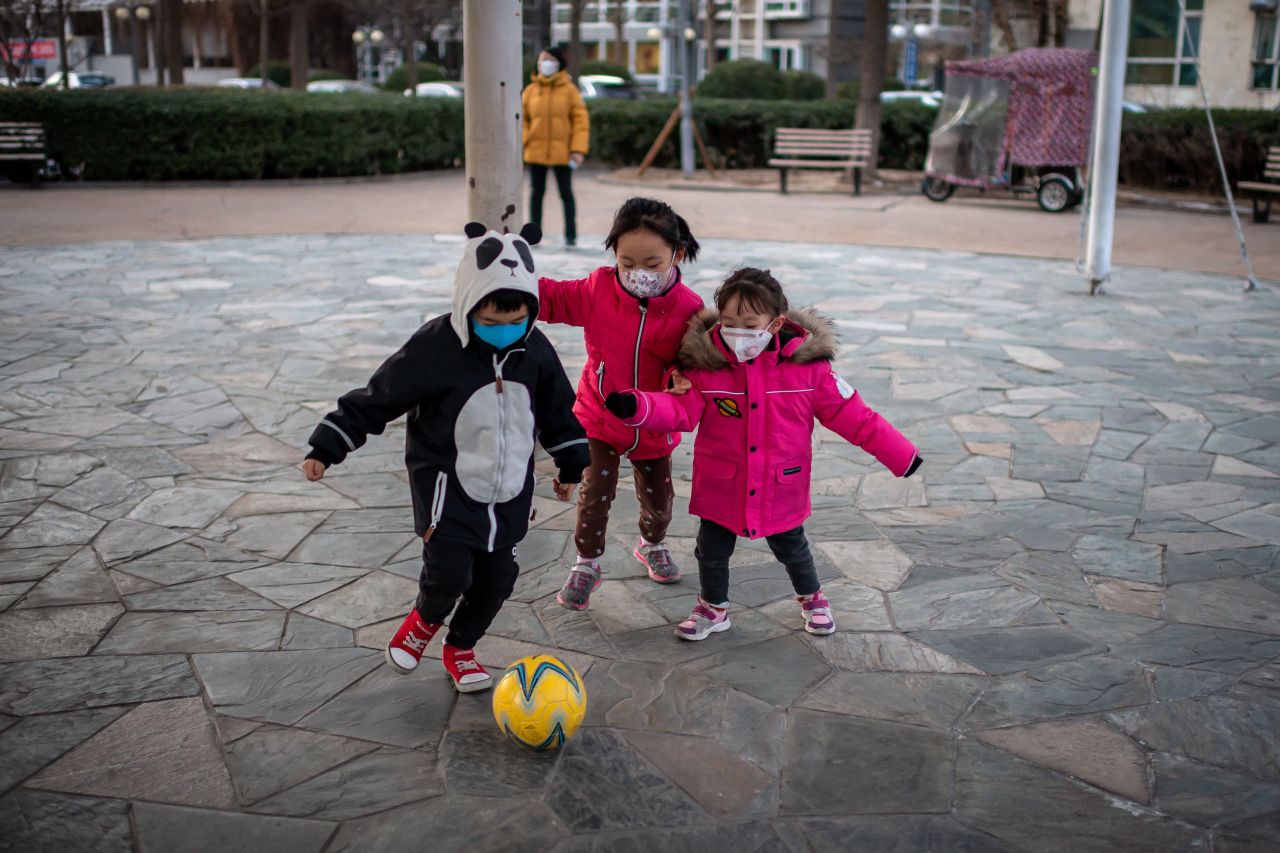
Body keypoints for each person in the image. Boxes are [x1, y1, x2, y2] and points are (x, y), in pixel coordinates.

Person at [301, 222, 589, 691]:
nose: (503, 332)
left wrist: (570, 464)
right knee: (448, 575)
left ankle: (461, 647)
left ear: (530, 312)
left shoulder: (534, 349)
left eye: (515, 321)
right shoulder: (437, 346)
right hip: (448, 493)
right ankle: (423, 621)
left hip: (511, 494)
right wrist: (329, 444)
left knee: (497, 582)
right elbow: (381, 395)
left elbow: (558, 408)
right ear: (467, 305)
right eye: (489, 322)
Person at [603, 268, 923, 640]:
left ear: (775, 324)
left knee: (792, 547)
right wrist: (637, 406)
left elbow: (855, 416)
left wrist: (901, 455)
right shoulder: (706, 369)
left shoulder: (808, 370)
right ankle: (713, 607)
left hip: (779, 484)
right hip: (723, 482)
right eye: (728, 322)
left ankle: (812, 597)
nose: (737, 331)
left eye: (749, 322)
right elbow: (680, 411)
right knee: (711, 551)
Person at [538, 197, 705, 611]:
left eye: (652, 263)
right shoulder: (597, 289)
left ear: (677, 255)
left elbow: (693, 362)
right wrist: (506, 277)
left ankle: (652, 544)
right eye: (627, 262)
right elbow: (552, 298)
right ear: (613, 253)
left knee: (659, 502)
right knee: (594, 494)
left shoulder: (690, 309)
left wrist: (681, 379)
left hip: (653, 422)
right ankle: (586, 564)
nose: (637, 274)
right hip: (599, 416)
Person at [522, 47, 589, 248]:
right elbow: (522, 119)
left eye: (550, 60)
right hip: (536, 151)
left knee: (566, 193)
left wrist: (577, 149)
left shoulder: (570, 91)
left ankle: (571, 235)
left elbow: (580, 122)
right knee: (536, 193)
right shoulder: (530, 91)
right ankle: (533, 236)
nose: (545, 63)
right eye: (542, 60)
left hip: (563, 152)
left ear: (559, 64)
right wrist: (527, 139)